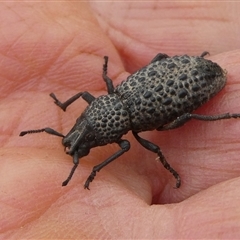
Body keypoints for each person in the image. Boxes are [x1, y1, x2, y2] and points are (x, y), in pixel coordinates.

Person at [1, 1, 240, 238]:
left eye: (88, 133)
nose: (79, 138)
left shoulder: (127, 126)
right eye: (86, 133)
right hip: (178, 74)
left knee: (186, 115)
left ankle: (224, 115)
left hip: (201, 79)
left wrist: (95, 169)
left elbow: (124, 145)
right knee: (161, 63)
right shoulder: (115, 96)